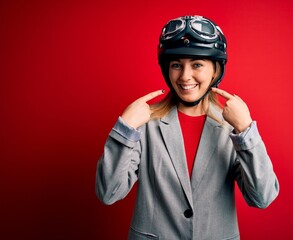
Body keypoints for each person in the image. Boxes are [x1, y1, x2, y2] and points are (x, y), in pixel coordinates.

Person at [96, 15, 279, 239]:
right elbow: (108, 193)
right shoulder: (144, 125)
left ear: (215, 70)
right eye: (176, 65)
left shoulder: (231, 129)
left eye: (197, 65)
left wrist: (246, 130)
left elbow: (262, 197)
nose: (185, 76)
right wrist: (124, 130)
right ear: (166, 69)